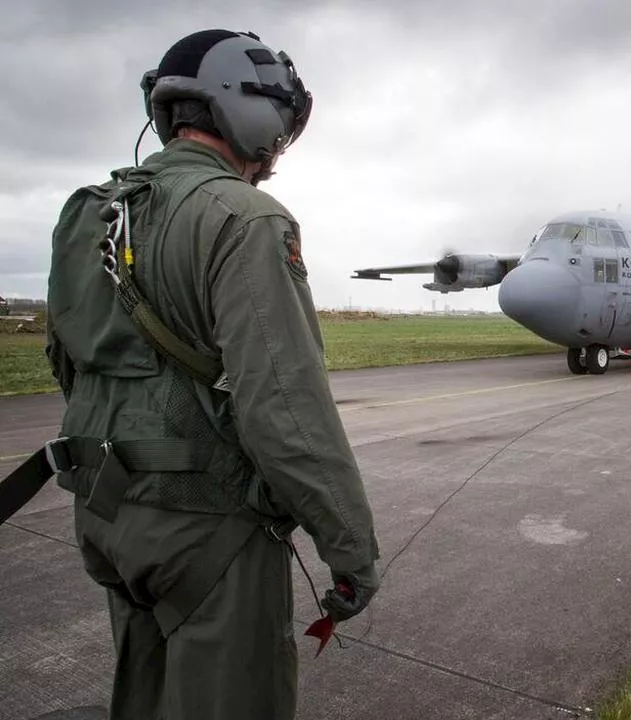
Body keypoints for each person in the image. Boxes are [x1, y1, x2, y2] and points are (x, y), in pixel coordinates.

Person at [39, 29, 380, 718]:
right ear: (249, 110)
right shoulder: (246, 218)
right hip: (206, 533)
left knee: (145, 695)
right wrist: (350, 548)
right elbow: (283, 404)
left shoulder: (90, 211)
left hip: (106, 515)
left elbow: (66, 362)